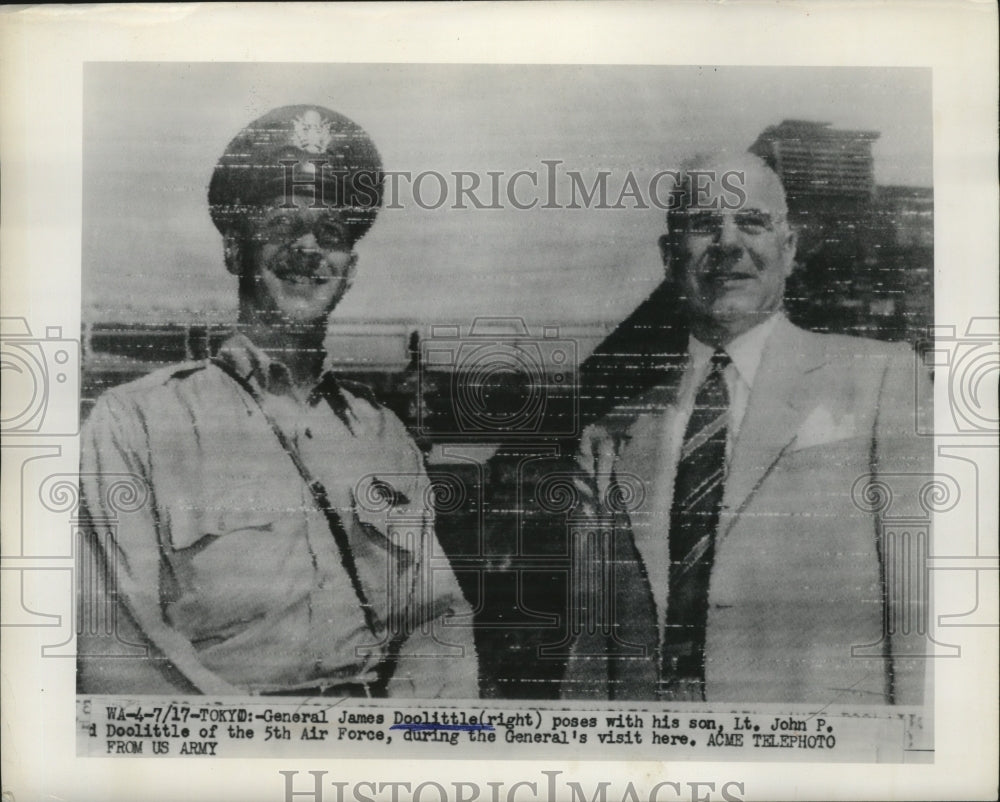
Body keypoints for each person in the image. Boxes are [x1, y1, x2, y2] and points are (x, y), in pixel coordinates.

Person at [78, 105, 478, 698]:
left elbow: (435, 619)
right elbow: (118, 644)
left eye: (333, 234)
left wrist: (411, 742)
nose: (309, 248)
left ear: (350, 269)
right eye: (283, 225)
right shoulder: (135, 424)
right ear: (235, 252)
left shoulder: (382, 435)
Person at [561, 152, 931, 705]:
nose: (728, 243)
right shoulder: (616, 434)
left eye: (751, 222)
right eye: (704, 225)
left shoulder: (880, 379)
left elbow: (920, 600)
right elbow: (594, 652)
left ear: (789, 248)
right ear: (670, 256)